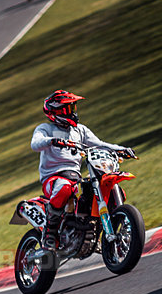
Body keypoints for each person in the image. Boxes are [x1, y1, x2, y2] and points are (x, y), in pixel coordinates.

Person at [31, 90, 135, 252]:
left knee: (103, 191)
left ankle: (101, 232)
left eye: (73, 108)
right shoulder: (45, 129)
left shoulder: (80, 130)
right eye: (67, 109)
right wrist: (52, 141)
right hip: (53, 178)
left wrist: (122, 149)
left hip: (75, 177)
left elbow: (99, 144)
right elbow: (35, 143)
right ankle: (50, 234)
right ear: (55, 112)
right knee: (64, 188)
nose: (72, 112)